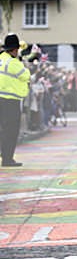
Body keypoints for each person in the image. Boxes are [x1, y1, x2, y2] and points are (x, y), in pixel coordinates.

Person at [0, 34, 31, 167]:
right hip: (10, 100)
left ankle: (3, 152)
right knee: (11, 130)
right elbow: (26, 75)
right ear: (14, 49)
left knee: (3, 128)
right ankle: (7, 158)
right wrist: (21, 61)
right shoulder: (13, 62)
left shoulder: (1, 58)